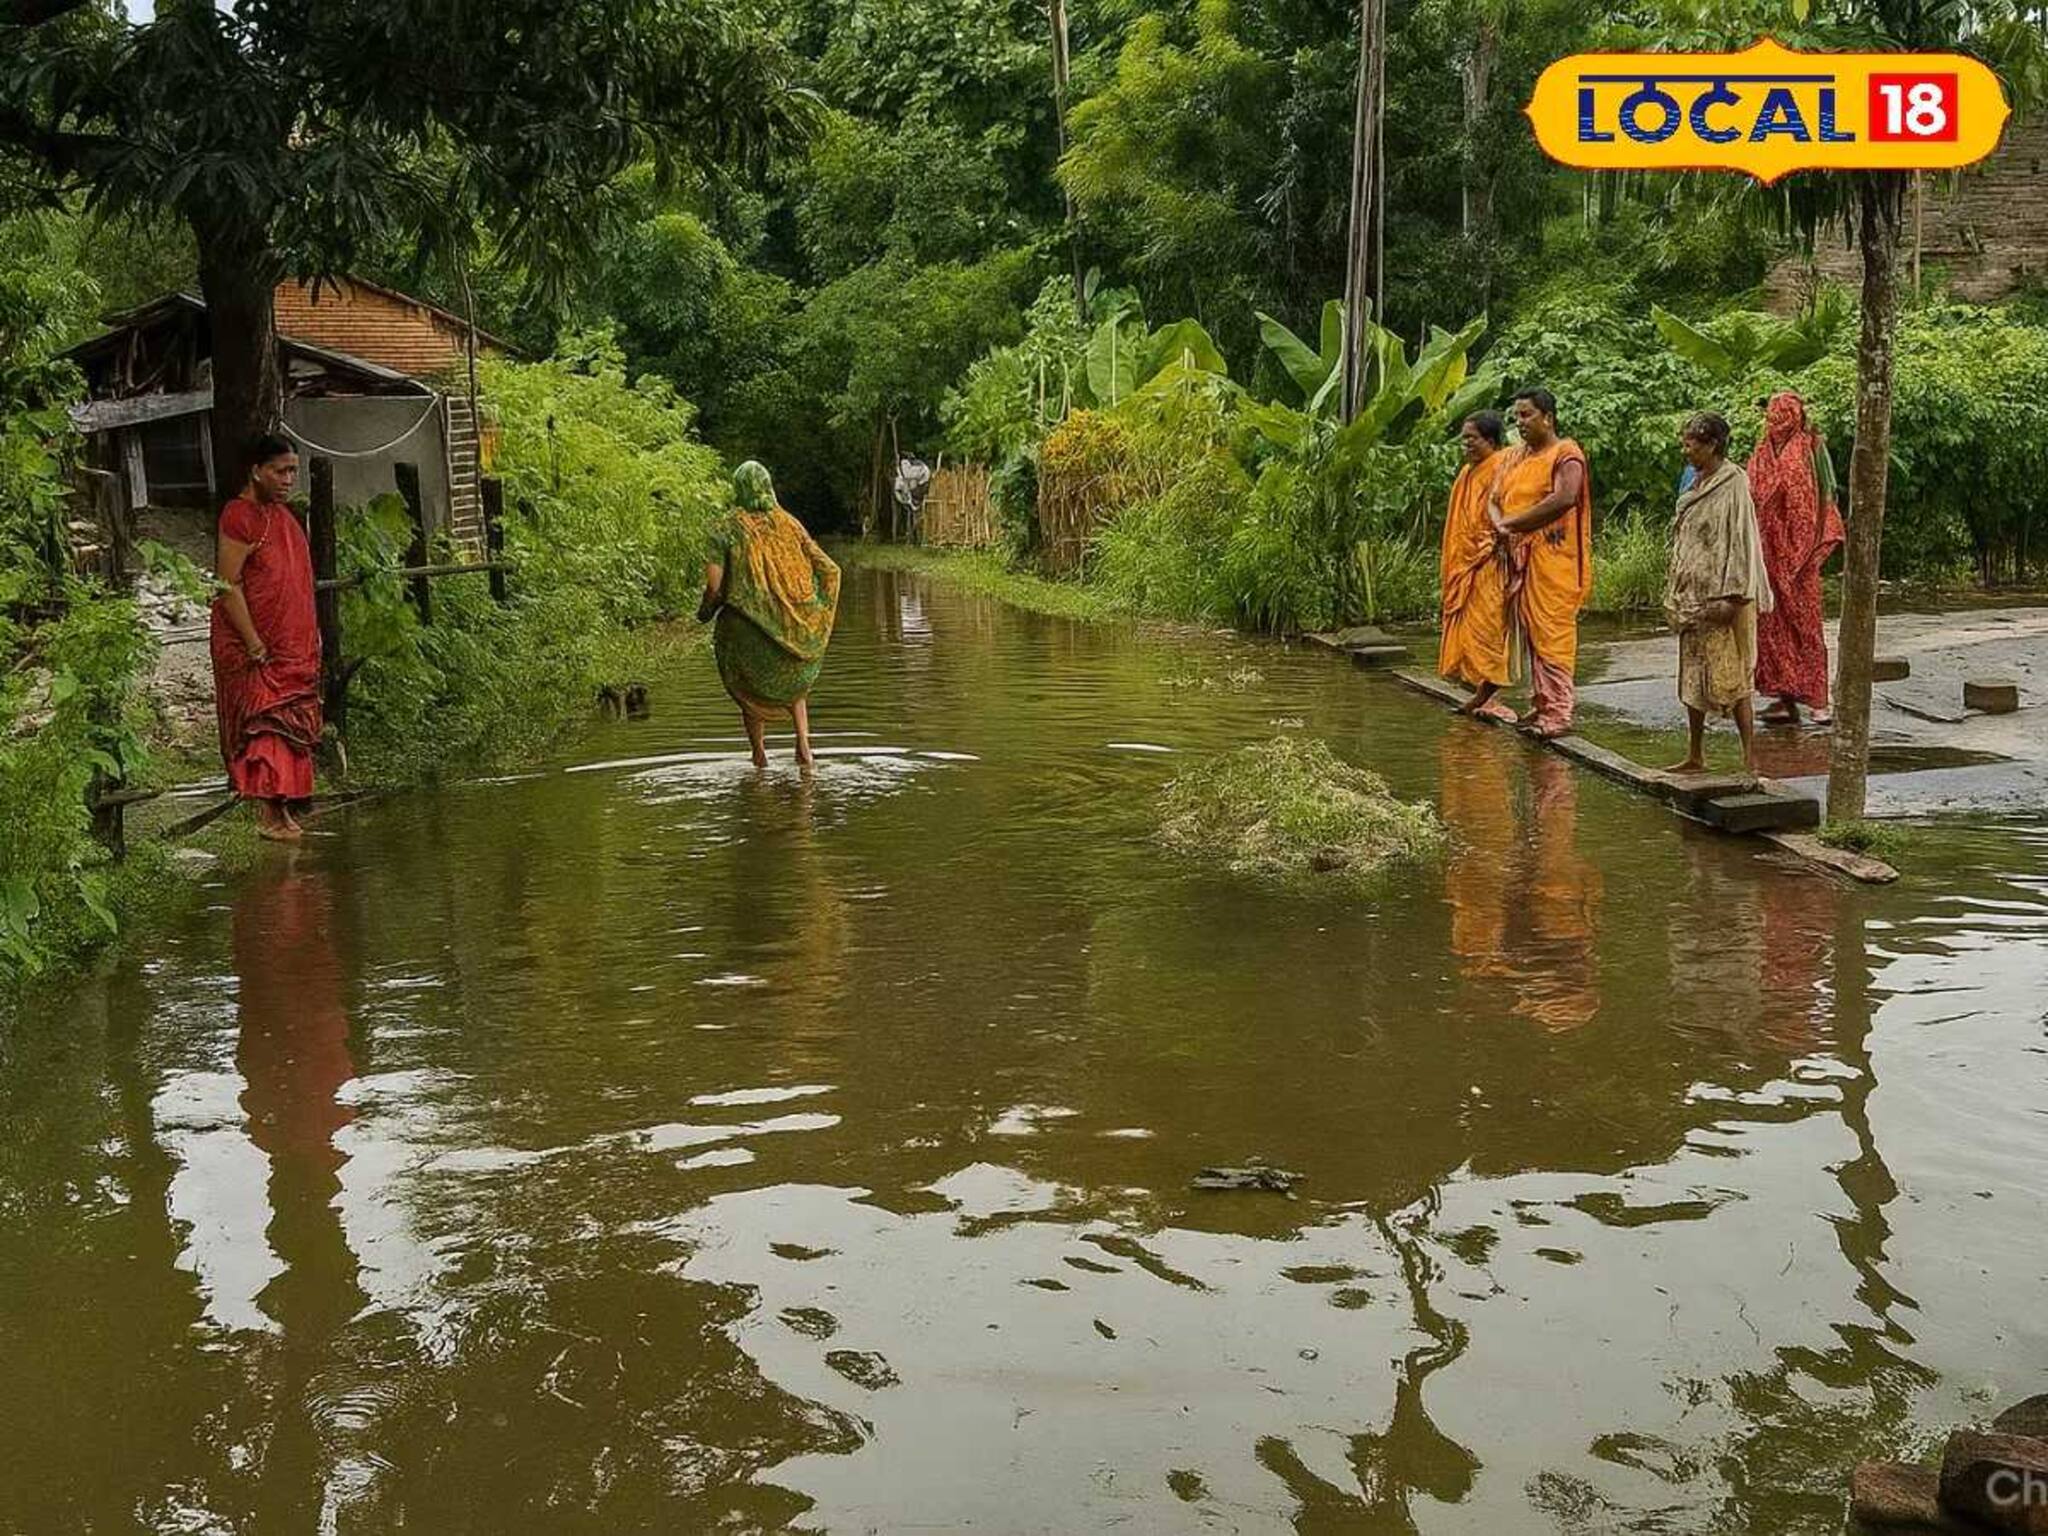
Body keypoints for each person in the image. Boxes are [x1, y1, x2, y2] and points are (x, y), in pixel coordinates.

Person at [210, 432, 321, 843]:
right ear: (256, 471)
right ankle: (269, 813)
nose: (288, 479)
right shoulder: (239, 516)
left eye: (293, 471)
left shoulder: (282, 516)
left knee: (288, 725)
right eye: (280, 471)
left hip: (291, 646)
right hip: (256, 646)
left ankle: (284, 808)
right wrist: (254, 641)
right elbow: (227, 584)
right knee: (266, 725)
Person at [698, 461, 842, 769]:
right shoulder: (789, 523)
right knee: (794, 681)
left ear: (738, 489)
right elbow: (829, 569)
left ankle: (759, 755)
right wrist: (814, 611)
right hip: (792, 626)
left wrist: (706, 611)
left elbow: (714, 585)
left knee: (749, 688)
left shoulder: (723, 528)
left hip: (744, 629)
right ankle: (804, 745)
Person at [1663, 411, 1773, 775]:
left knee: (1734, 677)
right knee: (1692, 677)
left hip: (1724, 595)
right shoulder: (1693, 481)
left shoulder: (1733, 483)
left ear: (1712, 445)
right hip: (1693, 595)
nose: (1686, 450)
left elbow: (1742, 539)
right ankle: (1695, 753)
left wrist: (1735, 595)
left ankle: (1749, 756)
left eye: (1691, 444)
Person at [1489, 388, 1593, 739]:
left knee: (1552, 632)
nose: (1519, 423)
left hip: (1554, 558)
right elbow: (1494, 498)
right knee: (1531, 632)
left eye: (1526, 415)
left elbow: (1564, 498)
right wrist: (1501, 525)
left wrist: (1513, 524)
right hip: (1520, 557)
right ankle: (1542, 702)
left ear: (1547, 418)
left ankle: (1559, 710)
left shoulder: (1566, 454)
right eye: (1516, 416)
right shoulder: (1516, 457)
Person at [1747, 390, 1844, 727]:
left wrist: (1814, 545)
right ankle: (1784, 699)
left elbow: (1826, 496)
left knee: (1805, 626)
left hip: (1800, 556)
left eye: (1784, 414)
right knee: (1771, 626)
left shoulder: (1812, 447)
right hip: (1767, 553)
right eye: (1773, 415)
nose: (1777, 421)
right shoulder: (1762, 452)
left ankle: (1818, 701)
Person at [1437, 410, 1516, 721]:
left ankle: (1491, 697)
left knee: (1489, 628)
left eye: (1472, 438)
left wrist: (1499, 546)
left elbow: (1509, 512)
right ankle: (1480, 693)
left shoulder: (1503, 466)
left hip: (1491, 558)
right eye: (1464, 439)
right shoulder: (1467, 473)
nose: (1466, 444)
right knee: (1470, 629)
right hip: (1466, 561)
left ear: (1491, 440)